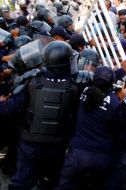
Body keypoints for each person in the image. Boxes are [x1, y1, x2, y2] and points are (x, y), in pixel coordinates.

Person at [10, 41, 79, 190]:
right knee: (53, 181)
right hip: (57, 147)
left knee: (21, 182)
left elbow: (12, 108)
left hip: (30, 145)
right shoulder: (75, 86)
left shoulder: (32, 81)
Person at [56, 66, 126, 190]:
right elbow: (119, 129)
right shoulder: (115, 103)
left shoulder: (84, 91)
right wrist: (121, 100)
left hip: (77, 155)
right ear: (112, 83)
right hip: (102, 158)